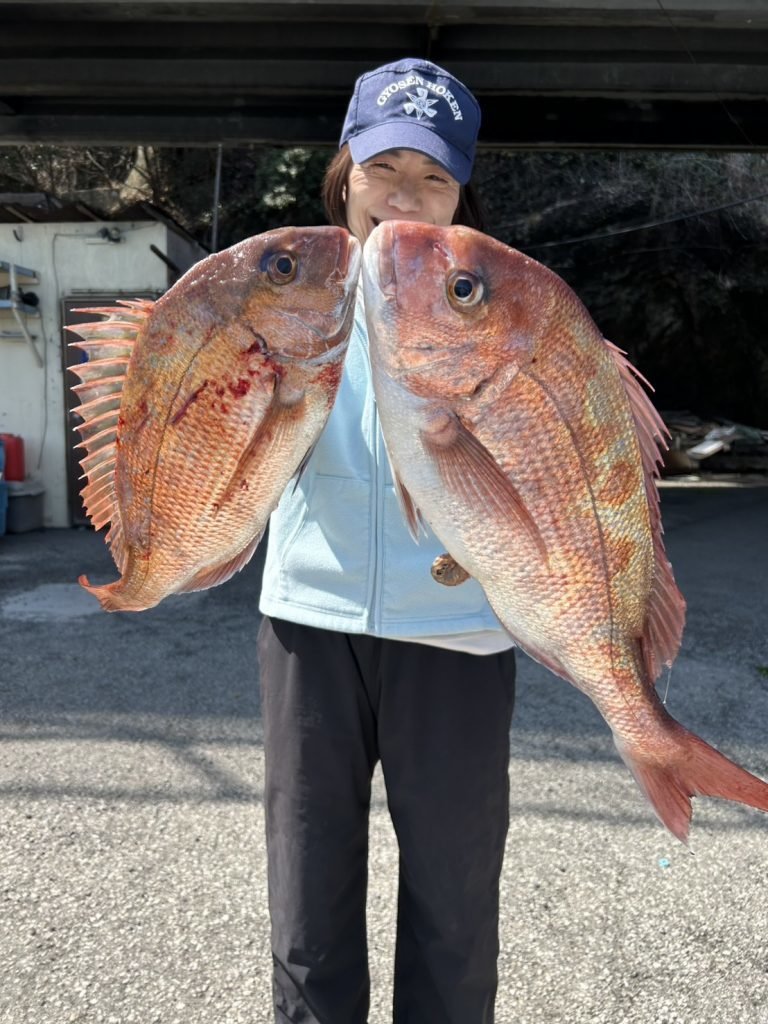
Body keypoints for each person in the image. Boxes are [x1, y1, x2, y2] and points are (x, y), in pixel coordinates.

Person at [257, 57, 516, 1024]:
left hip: (458, 630)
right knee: (308, 907)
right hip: (309, 620)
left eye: (434, 177)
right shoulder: (280, 290)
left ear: (461, 196)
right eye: (385, 168)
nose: (406, 195)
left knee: (455, 910)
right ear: (345, 173)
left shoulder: (496, 308)